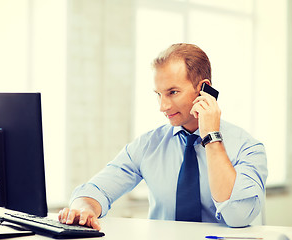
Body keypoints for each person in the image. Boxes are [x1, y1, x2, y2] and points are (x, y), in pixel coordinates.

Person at [58, 43, 267, 229]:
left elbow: (238, 216)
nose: (162, 106)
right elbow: (96, 190)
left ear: (204, 89)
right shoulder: (149, 145)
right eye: (158, 94)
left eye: (173, 92)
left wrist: (211, 137)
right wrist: (82, 209)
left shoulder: (248, 148)